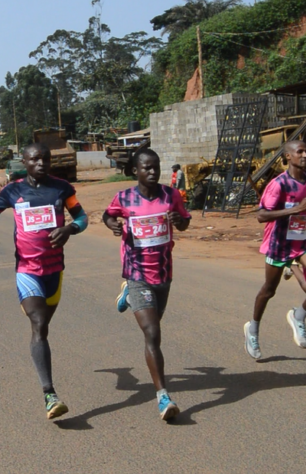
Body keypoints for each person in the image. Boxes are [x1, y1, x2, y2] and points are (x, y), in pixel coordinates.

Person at [0, 143, 89, 421]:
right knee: (38, 325)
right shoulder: (13, 190)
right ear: (24, 162)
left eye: (45, 158)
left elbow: (81, 216)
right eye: (34, 159)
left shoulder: (62, 188)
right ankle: (49, 394)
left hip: (55, 271)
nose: (40, 163)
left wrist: (69, 229)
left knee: (45, 325)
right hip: (27, 270)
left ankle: (47, 382)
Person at [105, 147, 191, 421]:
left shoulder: (171, 195)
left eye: (156, 167)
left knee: (155, 328)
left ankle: (128, 297)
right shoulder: (125, 197)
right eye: (147, 168)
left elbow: (185, 221)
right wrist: (113, 225)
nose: (153, 172)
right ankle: (163, 396)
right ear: (135, 171)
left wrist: (180, 220)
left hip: (163, 275)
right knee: (152, 334)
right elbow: (108, 214)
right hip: (137, 273)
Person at [244, 140, 306, 360]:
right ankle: (253, 329)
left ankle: (298, 316)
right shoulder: (279, 184)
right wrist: (297, 208)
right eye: (299, 152)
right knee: (269, 290)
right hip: (279, 243)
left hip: (302, 241)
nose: (304, 155)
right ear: (288, 157)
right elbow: (261, 216)